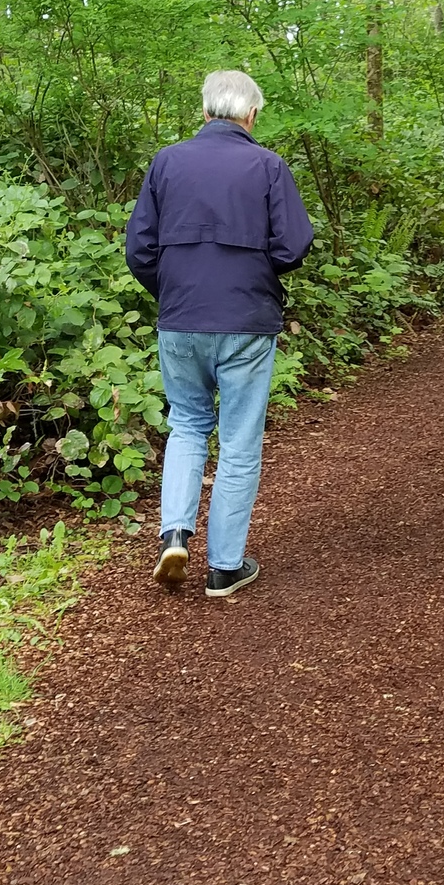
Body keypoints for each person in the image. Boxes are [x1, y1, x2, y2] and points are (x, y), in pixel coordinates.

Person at [126, 70, 314, 597]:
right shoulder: (268, 165)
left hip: (180, 318)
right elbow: (295, 243)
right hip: (246, 322)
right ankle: (225, 567)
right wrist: (257, 273)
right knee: (238, 441)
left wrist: (172, 290)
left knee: (186, 424)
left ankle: (174, 536)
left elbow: (139, 250)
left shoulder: (167, 163)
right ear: (251, 115)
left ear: (205, 111)